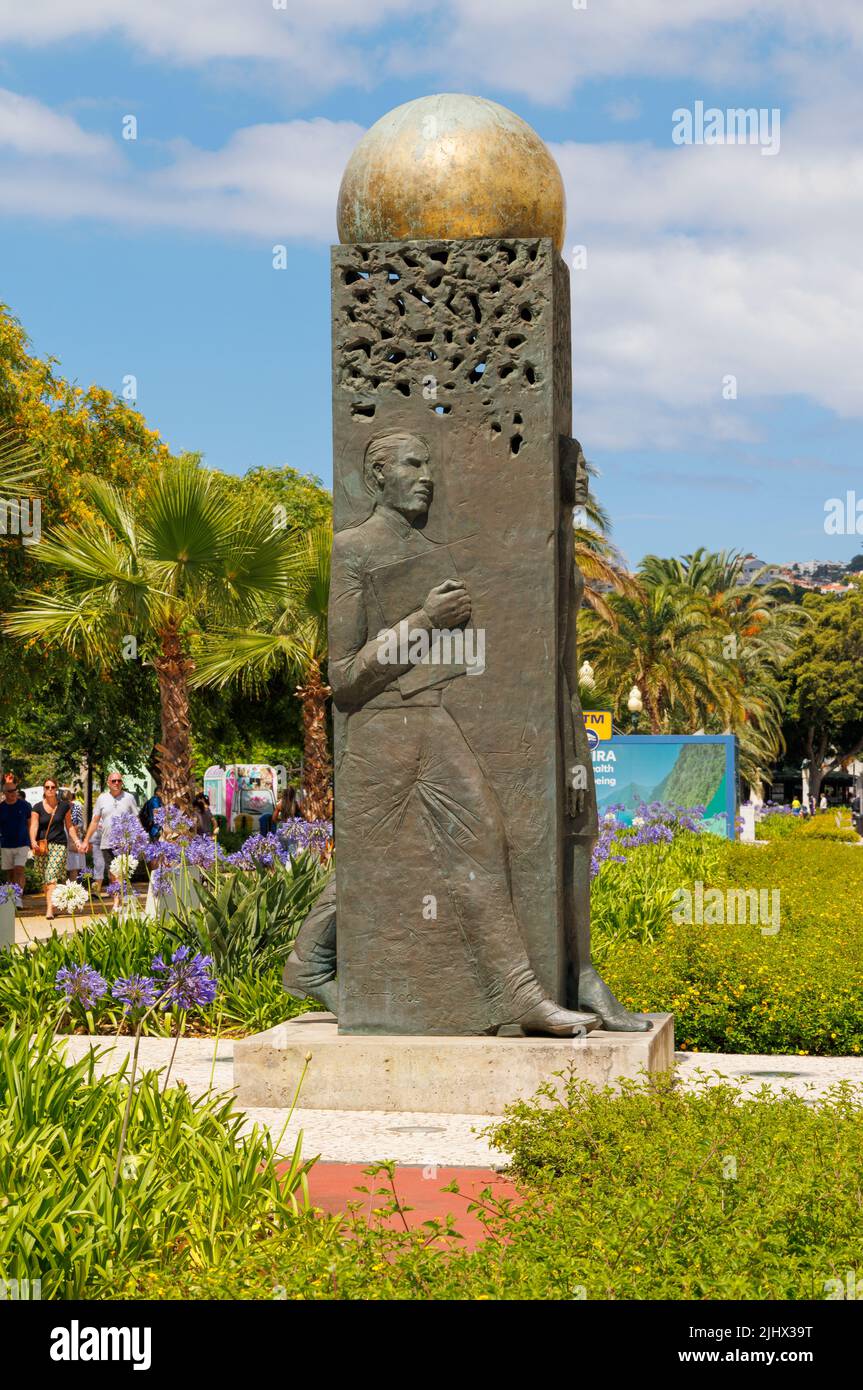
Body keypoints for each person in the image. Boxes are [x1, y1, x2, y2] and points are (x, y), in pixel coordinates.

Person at [30, 778, 83, 920]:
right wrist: (32, 840)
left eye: (52, 787)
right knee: (45, 879)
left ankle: (49, 910)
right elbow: (34, 825)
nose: (50, 789)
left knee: (51, 876)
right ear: (44, 789)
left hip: (59, 844)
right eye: (47, 787)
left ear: (56, 789)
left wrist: (76, 841)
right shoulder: (37, 807)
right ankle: (53, 903)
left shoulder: (64, 806)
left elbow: (69, 825)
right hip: (42, 846)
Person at [82, 772, 139, 891]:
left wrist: (139, 838)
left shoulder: (129, 798)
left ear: (122, 782)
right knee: (112, 873)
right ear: (108, 783)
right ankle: (117, 901)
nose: (116, 783)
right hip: (106, 842)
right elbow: (95, 821)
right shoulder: (102, 798)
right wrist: (86, 840)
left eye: (119, 781)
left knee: (121, 873)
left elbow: (135, 820)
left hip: (124, 843)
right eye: (114, 781)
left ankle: (119, 903)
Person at [0, 772, 32, 891]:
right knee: (10, 873)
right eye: (10, 791)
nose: (13, 793)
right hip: (6, 844)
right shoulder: (1, 808)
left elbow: (30, 824)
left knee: (19, 870)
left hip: (22, 843)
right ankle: (10, 899)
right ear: (4, 793)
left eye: (14, 790)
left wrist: (31, 840)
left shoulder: (24, 806)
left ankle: (18, 898)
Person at [62, 786, 87, 881]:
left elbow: (79, 823)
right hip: (63, 838)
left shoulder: (76, 807)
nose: (66, 802)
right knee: (64, 867)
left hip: (73, 838)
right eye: (64, 800)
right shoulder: (60, 807)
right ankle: (65, 890)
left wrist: (72, 834)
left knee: (74, 867)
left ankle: (73, 889)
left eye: (67, 800)